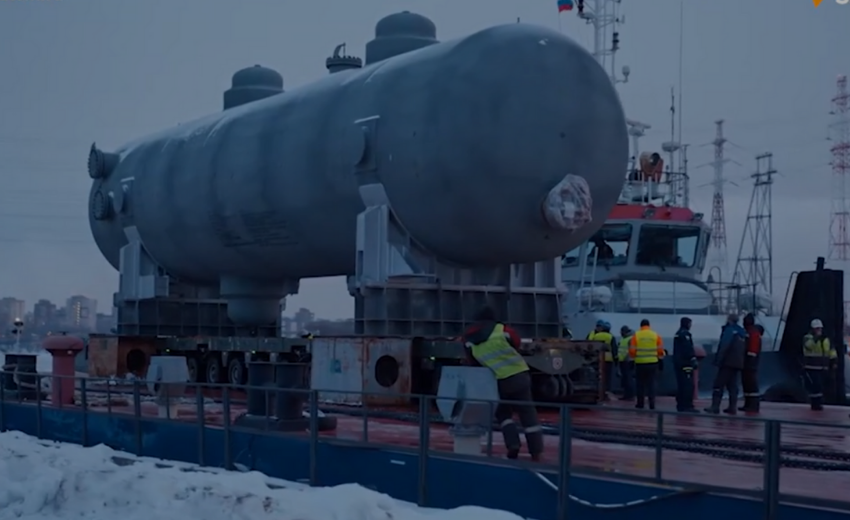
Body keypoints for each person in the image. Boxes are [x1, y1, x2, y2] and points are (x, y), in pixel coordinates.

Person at [463, 306, 544, 460]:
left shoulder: (468, 337)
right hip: (518, 376)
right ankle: (536, 451)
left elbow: (472, 362)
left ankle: (513, 445)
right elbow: (517, 343)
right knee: (527, 414)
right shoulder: (502, 329)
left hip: (496, 381)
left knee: (503, 415)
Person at [704, 314, 746, 415]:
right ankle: (732, 407)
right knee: (732, 385)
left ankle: (715, 407)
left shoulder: (729, 330)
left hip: (727, 362)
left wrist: (718, 360)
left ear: (729, 320)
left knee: (718, 384)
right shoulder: (742, 332)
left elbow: (724, 345)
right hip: (738, 363)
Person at [628, 319, 664, 410]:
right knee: (651, 384)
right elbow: (660, 350)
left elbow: (632, 351)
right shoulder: (656, 335)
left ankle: (640, 404)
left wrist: (633, 359)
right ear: (649, 325)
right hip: (653, 363)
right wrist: (660, 359)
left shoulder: (636, 335)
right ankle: (652, 404)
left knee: (640, 384)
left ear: (641, 326)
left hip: (640, 363)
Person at [802, 318, 837, 411]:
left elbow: (831, 350)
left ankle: (819, 403)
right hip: (811, 366)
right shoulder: (808, 338)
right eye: (817, 328)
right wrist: (816, 338)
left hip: (823, 367)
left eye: (820, 328)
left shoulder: (826, 339)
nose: (819, 330)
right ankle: (815, 404)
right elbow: (809, 346)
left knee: (821, 386)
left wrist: (833, 361)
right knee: (815, 386)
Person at [673, 317, 699, 413]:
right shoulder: (685, 335)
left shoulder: (678, 334)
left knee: (681, 384)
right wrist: (693, 359)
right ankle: (687, 405)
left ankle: (681, 404)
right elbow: (687, 348)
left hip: (679, 363)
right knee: (688, 385)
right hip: (685, 363)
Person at [739, 313, 762, 413]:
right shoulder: (749, 332)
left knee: (751, 384)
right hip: (747, 362)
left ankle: (753, 405)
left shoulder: (753, 334)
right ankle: (748, 403)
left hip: (750, 363)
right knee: (747, 384)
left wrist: (749, 362)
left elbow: (752, 350)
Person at [589, 321, 617, 396]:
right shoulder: (611, 336)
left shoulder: (596, 336)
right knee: (607, 377)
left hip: (597, 358)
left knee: (598, 376)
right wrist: (616, 360)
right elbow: (614, 349)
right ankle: (607, 391)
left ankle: (597, 390)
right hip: (608, 359)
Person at [617, 325, 635, 400]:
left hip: (627, 361)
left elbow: (631, 350)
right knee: (625, 379)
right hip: (622, 361)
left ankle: (630, 395)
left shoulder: (630, 339)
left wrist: (626, 358)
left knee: (628, 378)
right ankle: (626, 394)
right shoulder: (623, 339)